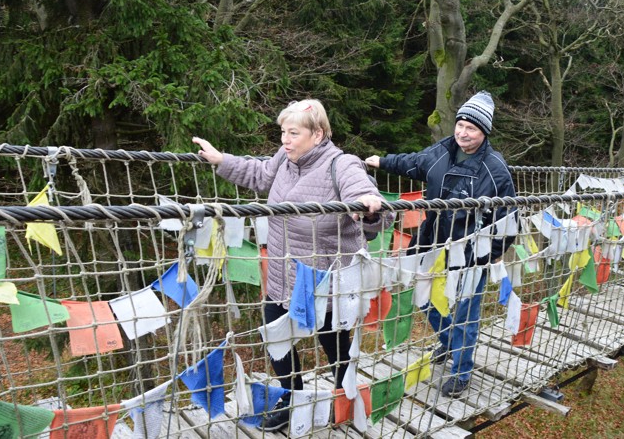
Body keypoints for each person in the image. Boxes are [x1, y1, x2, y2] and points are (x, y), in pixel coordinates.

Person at [193, 99, 391, 431]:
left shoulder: (342, 164)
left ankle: (347, 399)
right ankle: (291, 397)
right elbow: (258, 174)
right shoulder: (284, 161)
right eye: (283, 132)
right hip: (284, 275)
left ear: (318, 134)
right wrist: (220, 160)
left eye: (293, 133)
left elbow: (368, 197)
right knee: (276, 337)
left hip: (327, 280)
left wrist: (369, 205)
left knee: (336, 348)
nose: (285, 139)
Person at [364, 91, 516, 398]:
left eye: (470, 128)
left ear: (483, 132)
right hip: (430, 241)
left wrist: (489, 254)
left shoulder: (495, 169)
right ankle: (447, 340)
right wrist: (380, 161)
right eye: (460, 124)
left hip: (471, 251)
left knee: (465, 312)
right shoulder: (442, 151)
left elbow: (509, 218)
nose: (462, 132)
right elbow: (413, 163)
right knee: (420, 295)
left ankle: (461, 370)